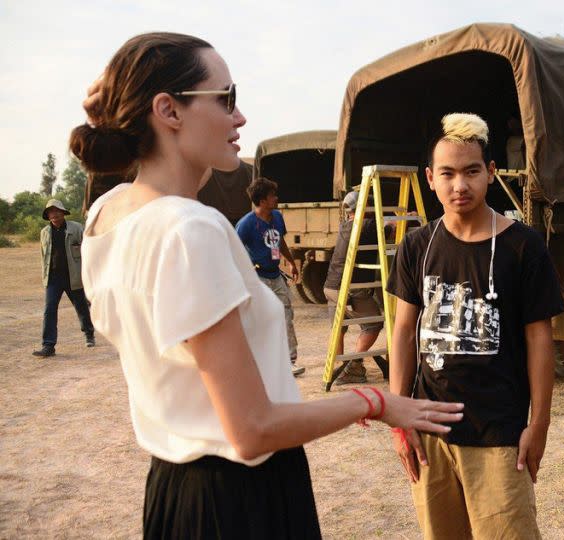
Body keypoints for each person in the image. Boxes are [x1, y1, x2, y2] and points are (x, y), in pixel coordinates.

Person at [72, 32, 462, 538]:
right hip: (240, 499)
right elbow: (252, 430)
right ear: (168, 111)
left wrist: (110, 114)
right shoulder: (190, 229)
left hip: (171, 491)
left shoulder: (108, 213)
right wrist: (376, 402)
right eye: (226, 98)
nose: (240, 118)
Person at [387, 113, 564, 539]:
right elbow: (404, 331)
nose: (459, 185)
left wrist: (538, 425)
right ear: (431, 178)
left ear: (490, 173)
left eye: (471, 172)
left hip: (499, 433)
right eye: (447, 173)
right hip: (429, 430)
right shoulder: (417, 245)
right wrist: (400, 416)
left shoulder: (523, 246)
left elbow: (540, 339)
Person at [235, 177, 303, 376]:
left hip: (276, 276)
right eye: (272, 195)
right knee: (258, 319)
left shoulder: (277, 217)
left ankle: (290, 361)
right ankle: (257, 362)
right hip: (257, 277)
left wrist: (290, 262)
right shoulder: (246, 224)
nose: (276, 198)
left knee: (286, 315)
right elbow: (234, 249)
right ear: (262, 200)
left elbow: (279, 241)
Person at [323, 189, 384, 384]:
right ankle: (352, 368)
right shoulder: (366, 226)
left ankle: (337, 370)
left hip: (331, 286)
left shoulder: (345, 225)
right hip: (350, 288)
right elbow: (389, 228)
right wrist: (404, 218)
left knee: (338, 328)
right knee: (373, 325)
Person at [33, 199, 95, 357]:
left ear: (63, 213)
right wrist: (45, 276)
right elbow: (43, 256)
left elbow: (87, 249)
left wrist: (87, 274)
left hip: (73, 275)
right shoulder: (45, 233)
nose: (53, 214)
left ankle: (89, 333)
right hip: (53, 278)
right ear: (48, 216)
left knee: (81, 306)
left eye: (56, 211)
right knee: (49, 309)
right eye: (50, 212)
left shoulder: (76, 228)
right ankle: (48, 345)